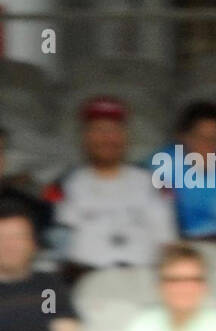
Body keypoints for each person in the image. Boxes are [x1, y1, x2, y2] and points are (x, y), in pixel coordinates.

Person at [48, 97, 176, 283]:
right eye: (98, 130)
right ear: (85, 137)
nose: (106, 138)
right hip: (84, 282)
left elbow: (167, 243)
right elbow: (59, 248)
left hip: (143, 281)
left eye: (114, 130)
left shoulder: (151, 184)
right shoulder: (66, 185)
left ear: (126, 137)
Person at [115, 243, 216, 331]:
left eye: (193, 279)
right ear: (159, 286)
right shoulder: (139, 328)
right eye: (174, 280)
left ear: (206, 286)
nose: (183, 288)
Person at [153, 102, 216, 240]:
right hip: (186, 244)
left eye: (215, 138)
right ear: (183, 136)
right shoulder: (164, 166)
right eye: (201, 137)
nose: (208, 144)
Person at [0, 199, 80, 331]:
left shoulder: (47, 288)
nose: (9, 246)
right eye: (2, 238)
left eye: (18, 237)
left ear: (33, 243)